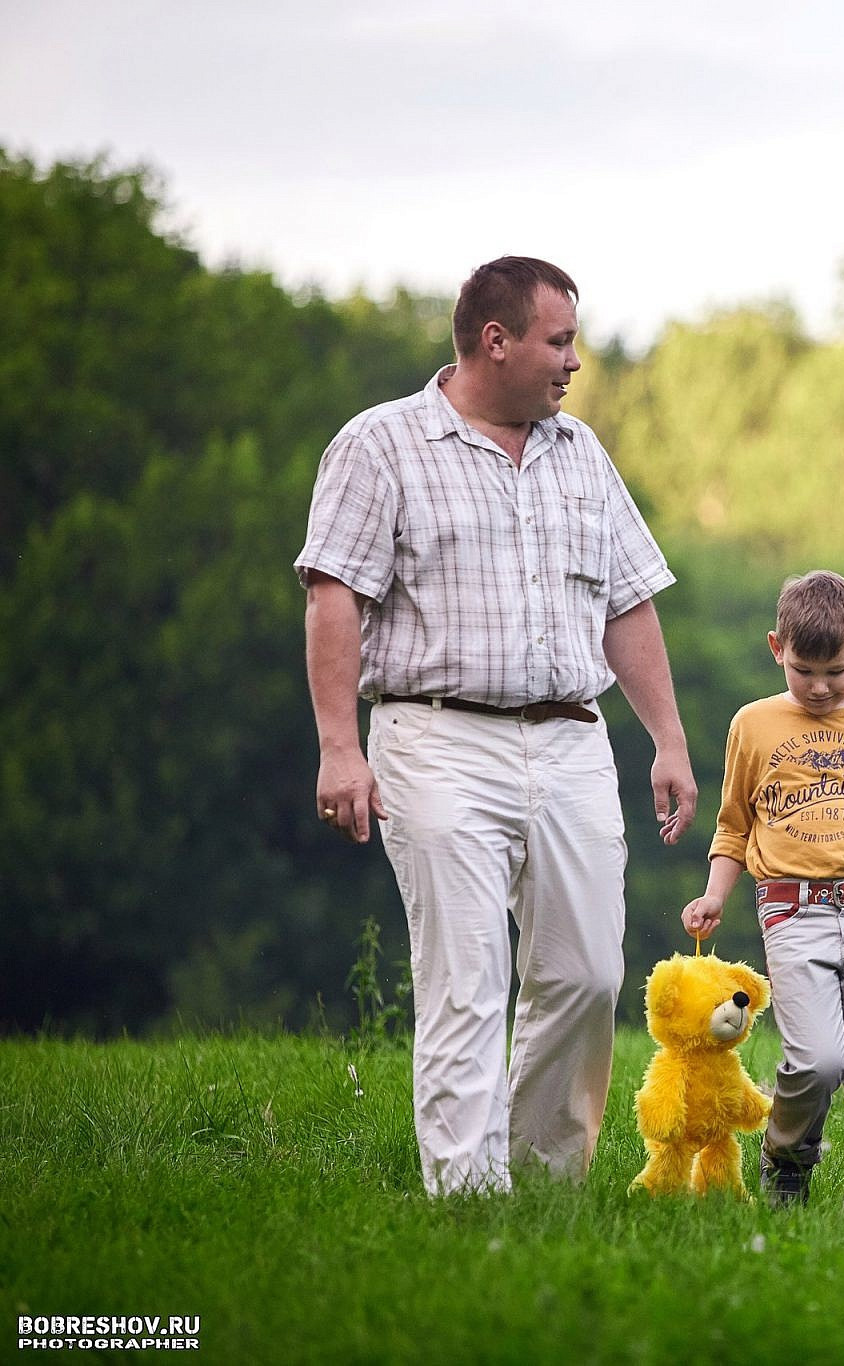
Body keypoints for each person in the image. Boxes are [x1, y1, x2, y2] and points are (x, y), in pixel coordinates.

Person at [296, 256, 698, 1196]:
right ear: (497, 342)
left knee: (589, 973)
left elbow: (630, 603)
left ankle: (548, 1189)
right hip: (437, 739)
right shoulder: (381, 445)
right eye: (559, 342)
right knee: (468, 980)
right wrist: (338, 748)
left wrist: (668, 738)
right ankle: (471, 1200)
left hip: (570, 738)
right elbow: (332, 598)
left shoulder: (581, 452)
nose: (573, 362)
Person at [680, 571, 844, 1209]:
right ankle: (787, 1157)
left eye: (837, 671)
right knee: (819, 1062)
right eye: (804, 671)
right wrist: (716, 894)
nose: (820, 687)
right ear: (777, 649)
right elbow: (734, 824)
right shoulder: (754, 724)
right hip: (793, 915)